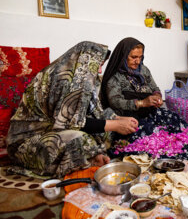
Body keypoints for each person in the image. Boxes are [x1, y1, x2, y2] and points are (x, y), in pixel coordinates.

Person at [6, 41, 138, 178]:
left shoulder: (82, 79)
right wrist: (116, 125)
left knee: (105, 129)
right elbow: (70, 123)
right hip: (27, 141)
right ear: (84, 61)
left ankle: (91, 158)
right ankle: (81, 165)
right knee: (78, 139)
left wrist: (117, 119)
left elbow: (93, 112)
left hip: (55, 130)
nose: (99, 71)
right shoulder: (62, 80)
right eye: (98, 66)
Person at [100, 37, 186, 142]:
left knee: (175, 122)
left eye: (140, 57)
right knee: (148, 135)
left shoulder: (143, 70)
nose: (138, 61)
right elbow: (115, 102)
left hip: (148, 112)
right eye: (133, 57)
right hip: (127, 116)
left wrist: (157, 97)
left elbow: (154, 87)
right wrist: (141, 103)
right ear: (123, 57)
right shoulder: (115, 76)